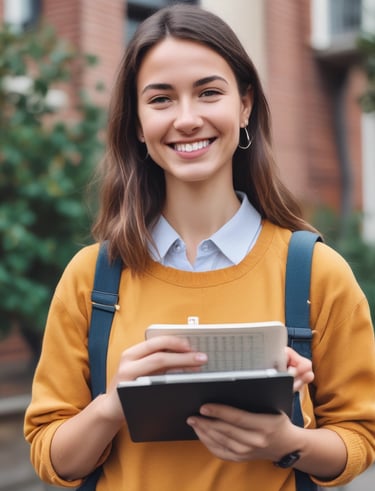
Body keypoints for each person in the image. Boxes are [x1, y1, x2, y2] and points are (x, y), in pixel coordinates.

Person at [24, 4, 375, 491]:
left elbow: (359, 437)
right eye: (161, 99)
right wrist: (115, 405)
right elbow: (50, 455)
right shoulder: (91, 278)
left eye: (209, 92)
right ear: (137, 123)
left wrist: (286, 443)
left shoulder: (316, 273)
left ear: (245, 105)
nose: (187, 119)